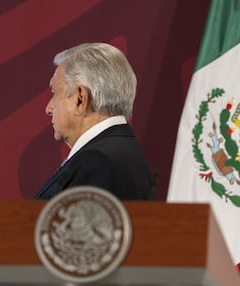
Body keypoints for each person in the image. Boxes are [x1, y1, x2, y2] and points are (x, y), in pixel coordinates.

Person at [35, 42, 153, 200]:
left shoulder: (97, 163)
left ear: (80, 99)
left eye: (55, 93)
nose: (48, 108)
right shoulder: (119, 150)